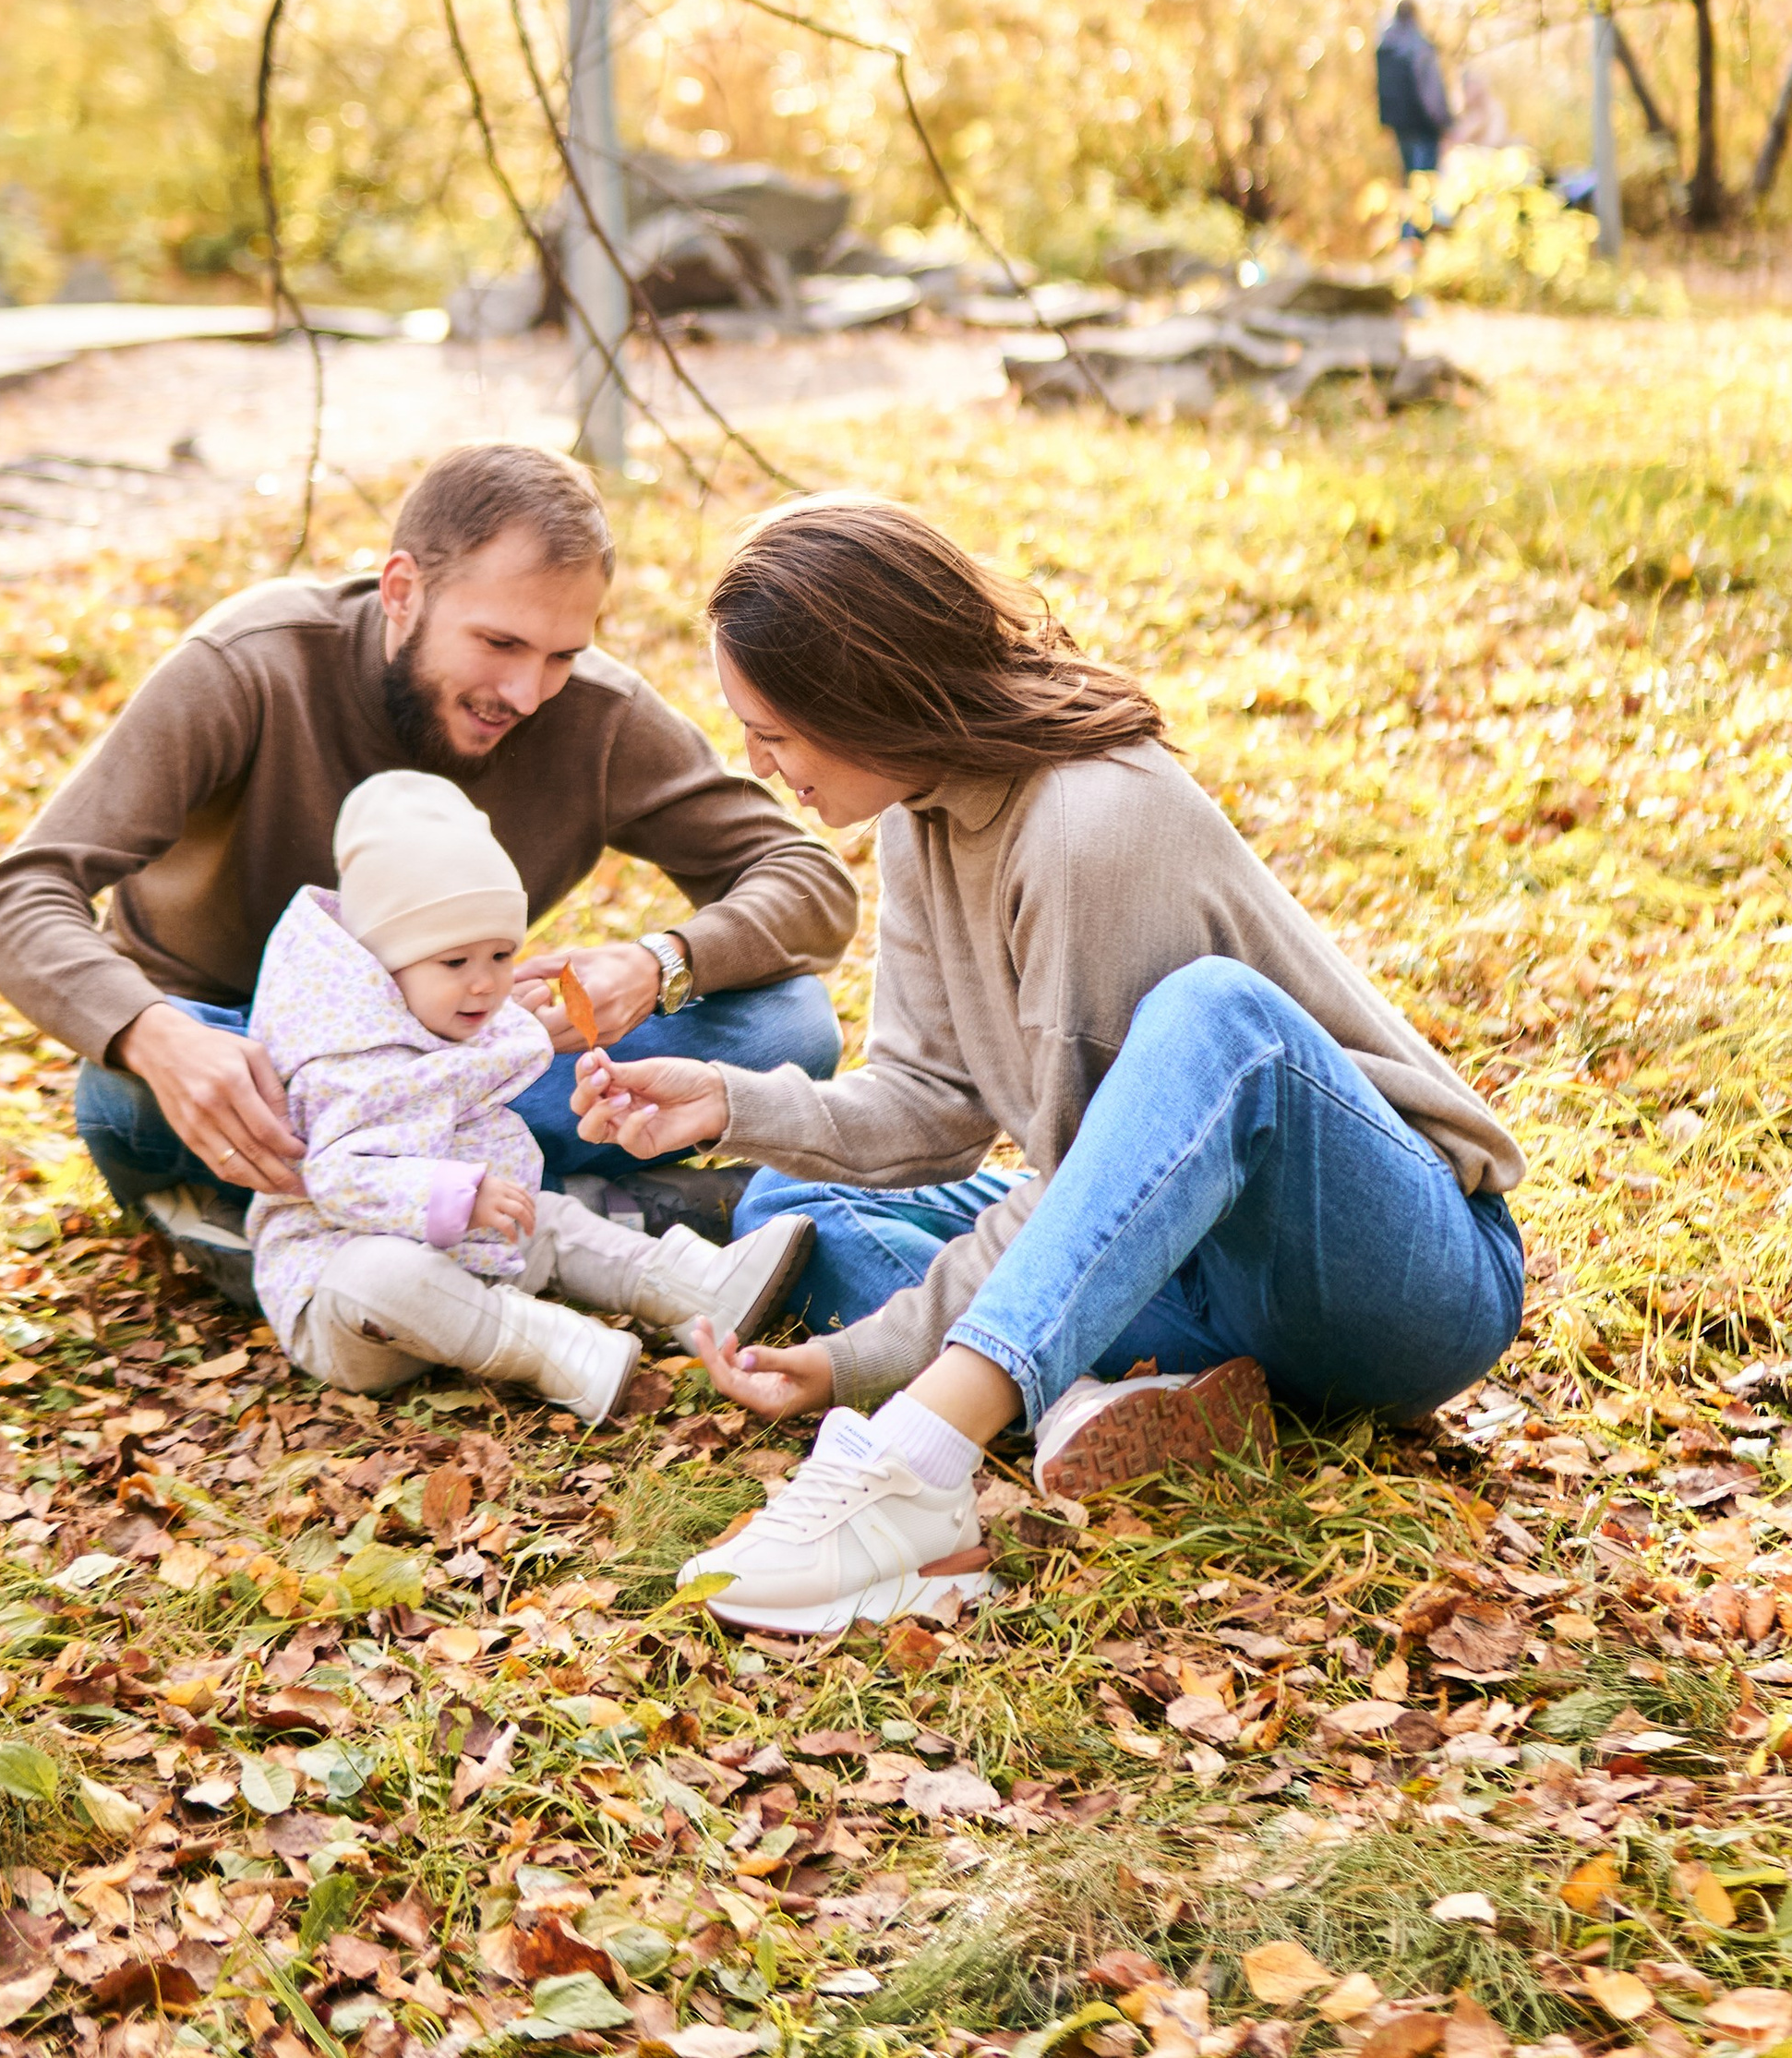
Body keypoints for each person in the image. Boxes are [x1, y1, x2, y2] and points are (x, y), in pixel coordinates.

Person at [572, 497, 1526, 1635]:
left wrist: (874, 1368)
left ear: (864, 697)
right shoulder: (918, 812)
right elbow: (931, 1105)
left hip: (1395, 1281)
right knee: (796, 1205)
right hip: (1200, 1278)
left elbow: (1081, 1187)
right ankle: (1119, 1396)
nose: (758, 764)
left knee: (1214, 1014)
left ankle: (918, 1467)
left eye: (772, 733)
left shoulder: (1091, 823)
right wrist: (726, 1104)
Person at [0, 441, 851, 1301]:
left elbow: (804, 875)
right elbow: (18, 898)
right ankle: (556, 1214)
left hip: (453, 1072)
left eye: (561, 655)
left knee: (788, 1027)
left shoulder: (597, 715)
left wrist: (659, 963)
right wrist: (158, 1040)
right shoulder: (250, 666)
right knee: (122, 1094)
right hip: (252, 1079)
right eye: (499, 642)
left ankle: (353, 1228)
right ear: (401, 591)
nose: (528, 692)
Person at [248, 767, 812, 1420]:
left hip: (465, 1252)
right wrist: (458, 1195)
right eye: (455, 962)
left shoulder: (434, 1016)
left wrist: (539, 1047)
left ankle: (696, 1288)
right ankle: (548, 1349)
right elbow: (339, 1178)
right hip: (350, 1302)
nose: (484, 983)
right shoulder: (348, 1060)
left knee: (549, 1220)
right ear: (383, 965)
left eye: (500, 955)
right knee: (381, 1275)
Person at [1374, 0, 1453, 184]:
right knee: (1426, 181)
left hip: (1399, 124)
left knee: (1410, 178)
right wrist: (1444, 121)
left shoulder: (1385, 45)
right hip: (1424, 125)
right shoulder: (1419, 46)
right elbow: (1430, 91)